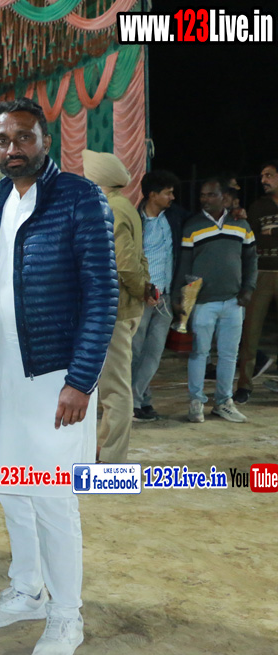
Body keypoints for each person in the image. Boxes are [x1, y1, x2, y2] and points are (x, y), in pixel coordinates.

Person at [0, 97, 117, 655]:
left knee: (54, 498)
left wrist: (81, 380)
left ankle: (67, 614)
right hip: (4, 372)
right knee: (12, 486)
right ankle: (28, 590)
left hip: (56, 375)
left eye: (23, 137)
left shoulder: (80, 198)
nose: (12, 148)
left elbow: (102, 295)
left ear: (45, 140)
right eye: (2, 140)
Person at [84, 150, 148, 463]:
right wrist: (144, 289)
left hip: (115, 310)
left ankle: (112, 459)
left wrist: (140, 291)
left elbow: (124, 264)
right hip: (123, 307)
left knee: (115, 389)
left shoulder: (110, 209)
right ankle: (104, 447)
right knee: (112, 385)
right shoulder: (125, 205)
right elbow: (138, 258)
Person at [176, 178, 257, 423]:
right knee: (199, 353)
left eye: (211, 194)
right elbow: (184, 266)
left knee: (229, 355)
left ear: (224, 197)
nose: (205, 199)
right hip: (202, 302)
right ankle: (196, 401)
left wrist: (248, 288)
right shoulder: (193, 226)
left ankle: (223, 402)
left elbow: (251, 260)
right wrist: (181, 299)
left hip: (234, 302)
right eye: (203, 195)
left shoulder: (241, 224)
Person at [131, 170, 185, 421]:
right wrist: (139, 288)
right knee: (135, 352)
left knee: (153, 354)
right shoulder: (134, 219)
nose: (172, 197)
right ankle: (138, 400)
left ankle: (137, 400)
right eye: (168, 193)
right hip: (140, 297)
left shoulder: (175, 217)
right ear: (152, 195)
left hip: (165, 297)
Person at [236, 160, 278, 401]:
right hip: (261, 273)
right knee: (250, 332)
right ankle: (244, 385)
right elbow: (251, 238)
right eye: (262, 176)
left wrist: (272, 232)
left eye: (269, 175)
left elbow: (265, 236)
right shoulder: (259, 206)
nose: (263, 180)